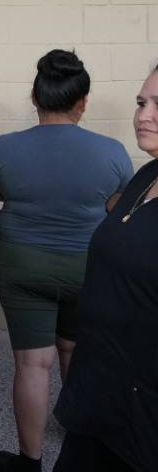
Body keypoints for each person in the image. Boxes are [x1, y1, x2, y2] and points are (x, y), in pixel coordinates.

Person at [0, 50, 133, 472]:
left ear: (35, 96)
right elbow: (116, 205)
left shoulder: (5, 148)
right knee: (73, 348)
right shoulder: (113, 152)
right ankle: (77, 438)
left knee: (32, 362)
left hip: (23, 264)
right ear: (83, 102)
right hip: (86, 266)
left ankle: (29, 462)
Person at [52, 65, 158, 472]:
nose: (143, 115)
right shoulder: (146, 175)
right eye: (141, 102)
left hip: (143, 409)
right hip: (100, 385)